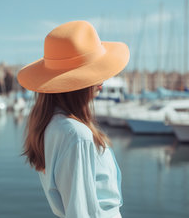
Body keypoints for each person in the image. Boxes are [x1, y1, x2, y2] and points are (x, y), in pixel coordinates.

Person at [17, 20, 130, 218]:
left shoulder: (52, 126)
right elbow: (81, 213)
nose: (102, 80)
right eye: (95, 72)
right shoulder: (77, 135)